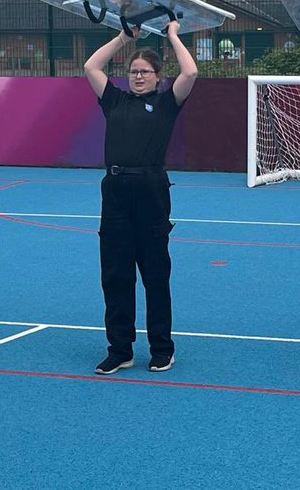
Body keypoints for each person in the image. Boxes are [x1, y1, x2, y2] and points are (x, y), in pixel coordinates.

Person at [85, 20, 196, 375]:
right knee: (116, 275)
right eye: (133, 71)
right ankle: (120, 349)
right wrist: (124, 37)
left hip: (151, 192)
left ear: (158, 76)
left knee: (155, 275)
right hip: (115, 192)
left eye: (145, 72)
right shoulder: (114, 100)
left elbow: (191, 71)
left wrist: (174, 36)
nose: (137, 77)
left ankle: (161, 349)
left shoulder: (166, 104)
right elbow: (90, 66)